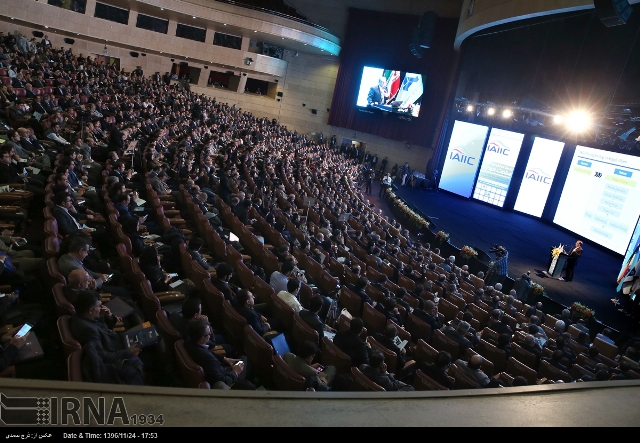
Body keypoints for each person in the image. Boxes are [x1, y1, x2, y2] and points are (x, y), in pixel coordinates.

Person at [184, 320, 250, 390]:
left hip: (216, 369)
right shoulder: (209, 360)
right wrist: (235, 372)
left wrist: (224, 359)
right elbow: (221, 380)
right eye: (209, 334)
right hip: (224, 376)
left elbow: (208, 352)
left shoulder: (188, 341)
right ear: (202, 339)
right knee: (245, 360)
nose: (210, 335)